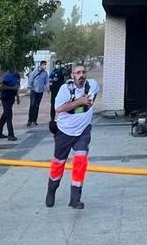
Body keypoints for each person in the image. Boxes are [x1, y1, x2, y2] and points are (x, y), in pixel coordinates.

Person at [45, 64, 99, 210]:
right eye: (77, 73)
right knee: (58, 163)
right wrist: (79, 102)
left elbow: (93, 99)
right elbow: (59, 108)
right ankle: (52, 189)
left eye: (83, 72)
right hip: (64, 132)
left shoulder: (93, 85)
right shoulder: (65, 89)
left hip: (83, 132)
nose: (81, 75)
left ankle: (75, 198)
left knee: (80, 163)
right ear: (72, 75)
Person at [0, 71, 19, 140]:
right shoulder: (8, 76)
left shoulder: (17, 76)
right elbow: (2, 86)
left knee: (5, 115)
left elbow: (16, 87)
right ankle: (11, 134)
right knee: (9, 115)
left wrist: (17, 96)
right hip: (6, 98)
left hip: (11, 98)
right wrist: (12, 88)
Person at [27, 60, 49, 126]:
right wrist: (29, 87)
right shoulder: (35, 71)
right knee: (32, 105)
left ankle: (34, 120)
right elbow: (30, 79)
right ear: (41, 65)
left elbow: (47, 81)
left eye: (45, 65)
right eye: (44, 65)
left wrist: (48, 88)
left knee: (37, 106)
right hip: (34, 90)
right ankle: (30, 120)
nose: (45, 66)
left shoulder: (45, 73)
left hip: (40, 91)